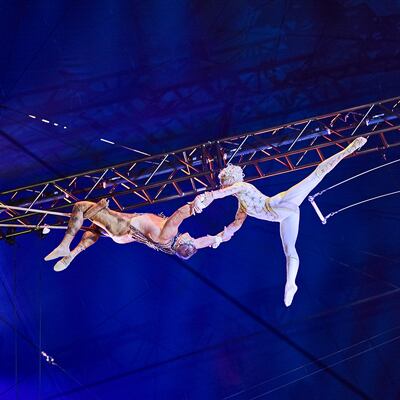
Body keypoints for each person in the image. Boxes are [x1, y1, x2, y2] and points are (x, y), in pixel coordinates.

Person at [192, 137, 367, 307]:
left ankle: (348, 149)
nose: (224, 188)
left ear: (229, 182)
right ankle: (291, 283)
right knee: (289, 250)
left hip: (279, 203)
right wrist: (219, 238)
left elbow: (223, 193)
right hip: (285, 215)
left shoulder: (243, 187)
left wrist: (207, 196)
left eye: (224, 185)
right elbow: (236, 225)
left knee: (316, 175)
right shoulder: (242, 205)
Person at [44, 200, 222, 272]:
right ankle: (71, 255)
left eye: (191, 238)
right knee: (94, 227)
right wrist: (221, 236)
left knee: (81, 207)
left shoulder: (169, 235)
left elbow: (180, 214)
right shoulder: (178, 246)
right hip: (124, 233)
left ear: (183, 241)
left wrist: (201, 201)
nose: (192, 236)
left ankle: (64, 246)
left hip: (123, 228)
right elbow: (200, 243)